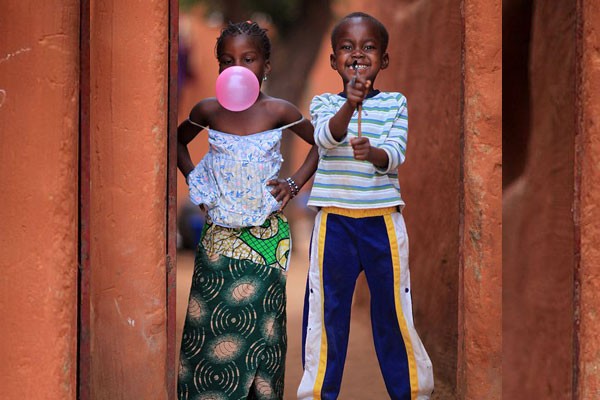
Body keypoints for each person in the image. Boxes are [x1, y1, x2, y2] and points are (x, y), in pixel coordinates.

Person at [177, 21, 318, 400]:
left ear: (266, 66)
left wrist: (293, 184)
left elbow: (321, 143)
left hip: (266, 241)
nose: (237, 67)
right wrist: (200, 186)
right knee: (206, 326)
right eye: (227, 61)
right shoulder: (208, 110)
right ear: (220, 67)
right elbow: (177, 141)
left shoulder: (278, 110)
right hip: (218, 240)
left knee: (263, 329)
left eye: (249, 59)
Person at [297, 12, 434, 400]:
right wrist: (349, 106)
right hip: (334, 222)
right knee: (326, 314)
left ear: (384, 60)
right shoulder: (324, 102)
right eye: (346, 47)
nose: (357, 54)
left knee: (393, 312)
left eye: (369, 48)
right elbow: (324, 139)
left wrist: (372, 152)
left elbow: (395, 154)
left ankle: (410, 392)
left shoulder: (395, 103)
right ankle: (318, 393)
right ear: (333, 61)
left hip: (382, 223)